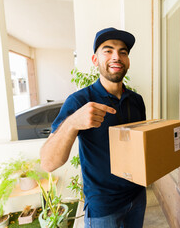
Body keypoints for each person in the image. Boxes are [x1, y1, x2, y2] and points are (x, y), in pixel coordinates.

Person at [40, 27, 147, 228]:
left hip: (138, 197)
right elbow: (48, 162)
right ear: (95, 60)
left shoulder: (136, 100)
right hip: (103, 208)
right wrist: (72, 122)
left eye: (123, 52)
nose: (117, 56)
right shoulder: (79, 101)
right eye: (108, 50)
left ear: (128, 61)